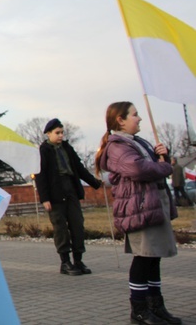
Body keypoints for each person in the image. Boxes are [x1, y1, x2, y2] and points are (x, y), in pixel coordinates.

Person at [95, 102, 181, 325]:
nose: (140, 118)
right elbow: (137, 169)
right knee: (143, 258)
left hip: (152, 205)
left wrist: (164, 155)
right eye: (135, 115)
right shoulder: (117, 145)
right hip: (140, 208)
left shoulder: (137, 142)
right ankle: (139, 311)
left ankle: (156, 306)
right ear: (120, 120)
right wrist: (165, 167)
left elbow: (153, 163)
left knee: (154, 258)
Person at [35, 118, 102, 276]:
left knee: (77, 225)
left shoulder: (67, 148)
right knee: (61, 229)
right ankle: (65, 262)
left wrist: (95, 183)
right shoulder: (43, 151)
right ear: (48, 134)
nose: (60, 136)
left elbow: (79, 168)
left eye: (62, 132)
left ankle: (78, 260)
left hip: (71, 190)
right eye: (57, 133)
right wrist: (45, 198)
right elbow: (41, 176)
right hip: (55, 195)